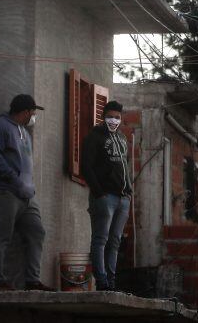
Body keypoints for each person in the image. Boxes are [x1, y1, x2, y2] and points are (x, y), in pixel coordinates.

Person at [0, 94, 53, 291]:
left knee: (36, 232)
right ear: (23, 112)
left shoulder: (23, 131)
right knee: (1, 236)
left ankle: (32, 281)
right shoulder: (0, 126)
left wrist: (28, 186)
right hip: (6, 192)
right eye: (32, 112)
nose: (33, 116)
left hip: (27, 196)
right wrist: (13, 178)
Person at [80, 100, 132, 291]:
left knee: (115, 241)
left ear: (121, 118)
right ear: (103, 116)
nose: (114, 120)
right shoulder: (94, 137)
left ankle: (111, 281)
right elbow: (86, 166)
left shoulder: (122, 138)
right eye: (110, 116)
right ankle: (101, 281)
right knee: (100, 239)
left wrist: (129, 193)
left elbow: (126, 166)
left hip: (123, 198)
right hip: (105, 198)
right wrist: (99, 192)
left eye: (117, 117)